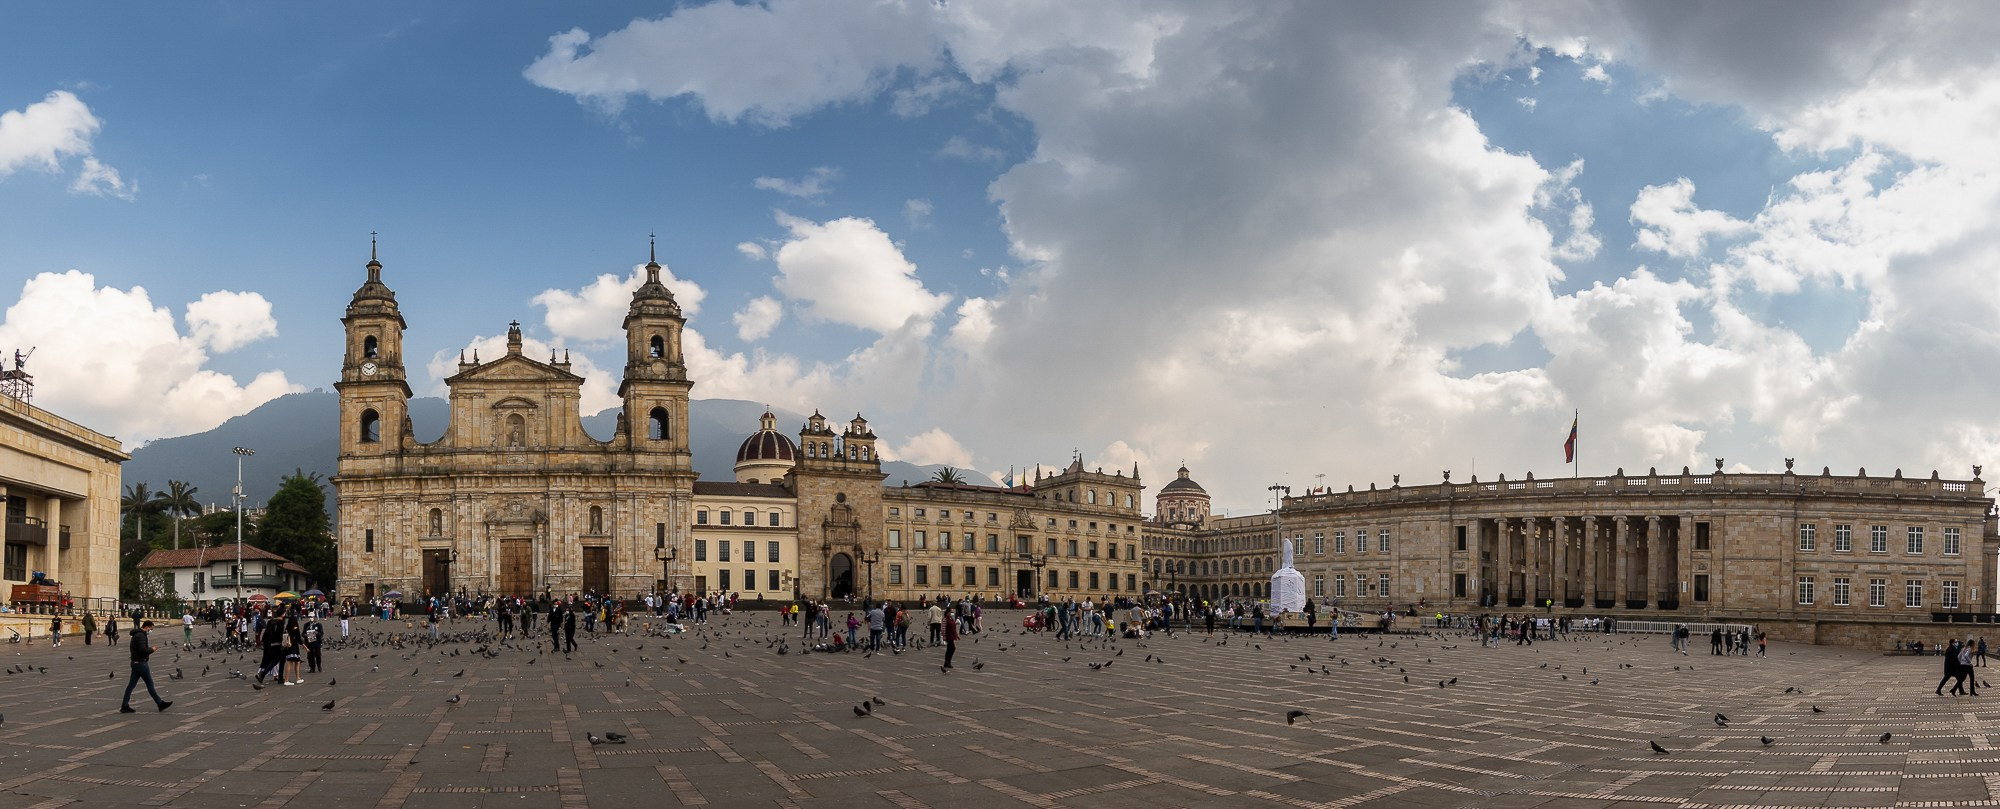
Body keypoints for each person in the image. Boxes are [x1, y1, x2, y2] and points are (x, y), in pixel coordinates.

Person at [121, 620, 171, 713]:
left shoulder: (137, 634)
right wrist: (152, 649)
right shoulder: (141, 636)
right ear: (147, 627)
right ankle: (160, 703)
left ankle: (124, 705)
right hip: (141, 663)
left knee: (131, 685)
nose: (150, 631)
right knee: (149, 684)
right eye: (151, 629)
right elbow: (142, 650)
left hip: (135, 663)